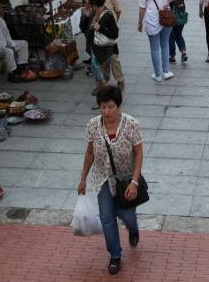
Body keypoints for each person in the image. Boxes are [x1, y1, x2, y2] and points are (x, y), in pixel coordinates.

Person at [77, 85, 144, 275]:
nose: (106, 111)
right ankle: (115, 255)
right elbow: (89, 153)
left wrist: (135, 182)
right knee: (107, 217)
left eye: (110, 107)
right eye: (103, 107)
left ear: (119, 106)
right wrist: (82, 179)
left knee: (127, 215)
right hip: (103, 178)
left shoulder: (131, 124)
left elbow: (139, 154)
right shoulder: (92, 125)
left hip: (125, 179)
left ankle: (133, 229)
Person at [138, 0, 184, 81]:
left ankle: (157, 75)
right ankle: (167, 71)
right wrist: (169, 1)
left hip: (152, 20)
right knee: (165, 45)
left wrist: (140, 22)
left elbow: (142, 7)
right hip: (166, 18)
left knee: (154, 48)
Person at [82, 0, 124, 91]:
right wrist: (86, 16)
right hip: (95, 39)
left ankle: (119, 80)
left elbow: (118, 10)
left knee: (114, 59)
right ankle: (102, 86)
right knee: (98, 65)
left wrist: (113, 21)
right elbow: (84, 26)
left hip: (109, 34)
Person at [80, 0, 119, 98]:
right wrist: (86, 17)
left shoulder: (107, 15)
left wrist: (100, 28)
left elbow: (114, 34)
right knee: (97, 73)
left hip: (104, 51)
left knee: (104, 76)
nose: (86, 1)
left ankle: (104, 98)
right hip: (94, 49)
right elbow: (83, 28)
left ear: (94, 2)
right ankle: (100, 88)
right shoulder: (91, 12)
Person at [0, 1, 30, 82]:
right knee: (9, 51)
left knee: (23, 43)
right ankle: (12, 74)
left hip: (3, 45)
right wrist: (8, 47)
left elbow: (7, 36)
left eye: (0, 8)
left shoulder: (1, 20)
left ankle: (21, 66)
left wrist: (12, 45)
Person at [166, 0, 188, 64]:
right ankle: (184, 52)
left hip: (171, 17)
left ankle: (172, 56)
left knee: (171, 36)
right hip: (180, 17)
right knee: (179, 35)